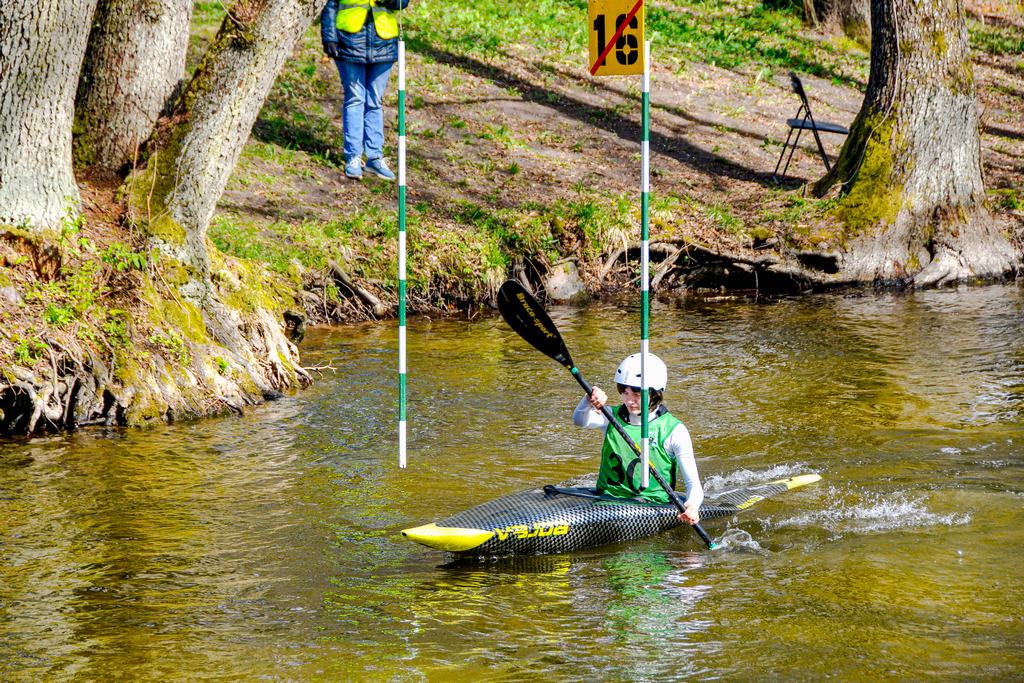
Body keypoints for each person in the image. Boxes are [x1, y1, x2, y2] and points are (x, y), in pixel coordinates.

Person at [572, 352, 703, 525]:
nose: (629, 400)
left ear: (655, 394)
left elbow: (693, 484)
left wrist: (692, 506)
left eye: (637, 393)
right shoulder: (610, 416)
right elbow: (580, 420)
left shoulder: (674, 430)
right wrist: (588, 400)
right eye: (624, 392)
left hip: (652, 507)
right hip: (606, 500)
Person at [321, 0, 410, 180]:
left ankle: (374, 157)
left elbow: (402, 2)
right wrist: (329, 37)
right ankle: (353, 157)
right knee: (355, 99)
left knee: (375, 101)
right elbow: (329, 5)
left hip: (383, 44)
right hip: (348, 43)